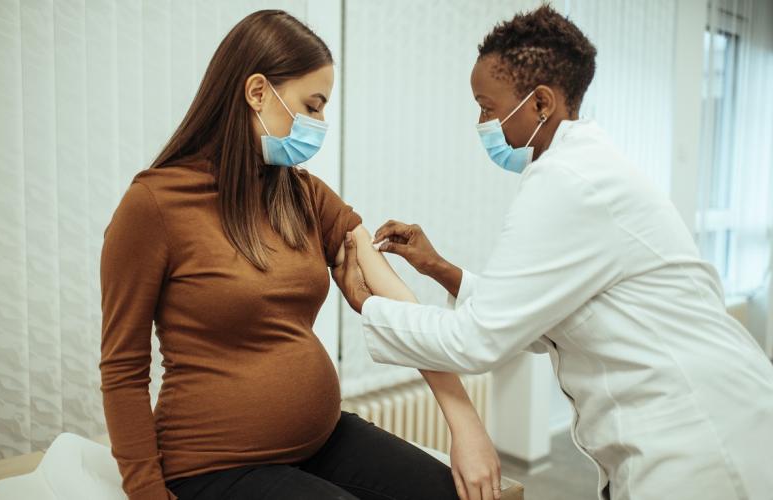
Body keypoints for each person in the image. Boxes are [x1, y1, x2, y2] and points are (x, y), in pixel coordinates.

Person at [331, 5, 773, 500]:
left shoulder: (568, 183)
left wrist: (368, 303)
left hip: (698, 438)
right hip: (694, 421)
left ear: (541, 103)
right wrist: (439, 269)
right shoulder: (581, 172)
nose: (481, 123)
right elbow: (539, 319)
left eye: (487, 107)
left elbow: (477, 341)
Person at [100, 10, 501, 500]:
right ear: (257, 92)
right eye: (311, 107)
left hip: (322, 439)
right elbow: (123, 368)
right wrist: (145, 493)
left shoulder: (302, 195)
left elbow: (397, 301)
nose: (320, 124)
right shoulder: (155, 204)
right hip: (214, 464)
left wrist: (466, 426)